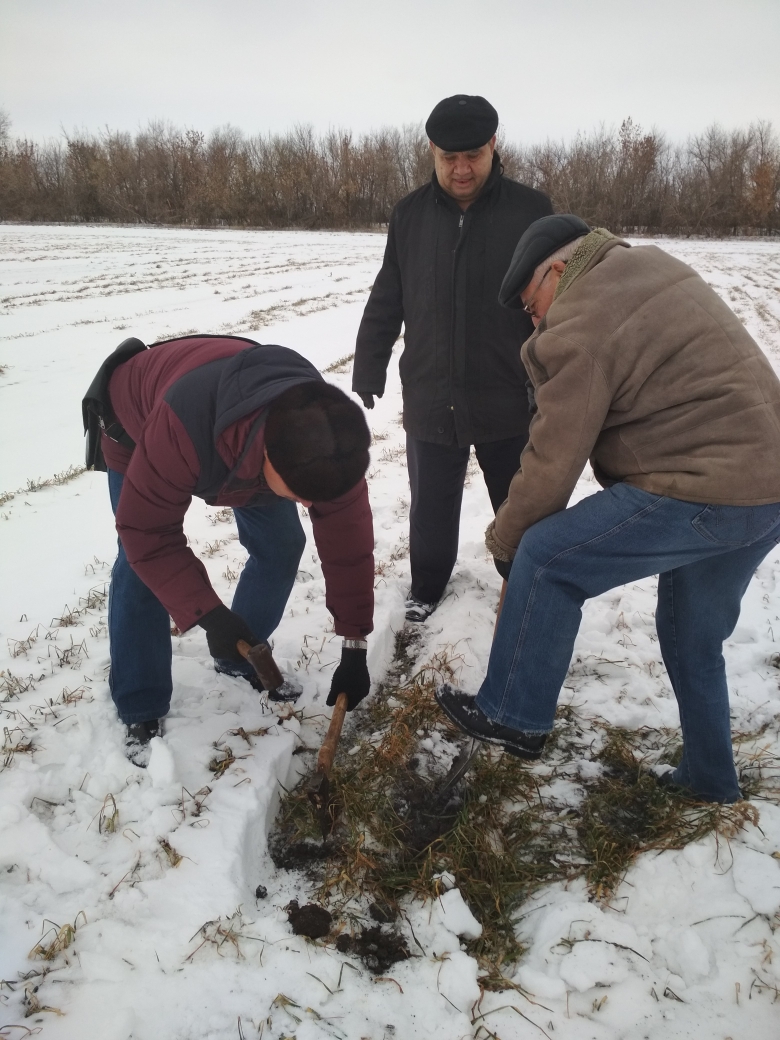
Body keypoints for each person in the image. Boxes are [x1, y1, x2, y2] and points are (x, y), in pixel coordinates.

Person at [436, 215, 780, 804]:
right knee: (692, 638)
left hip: (701, 487)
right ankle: (709, 781)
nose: (535, 318)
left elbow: (552, 461)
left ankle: (512, 715)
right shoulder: (651, 266)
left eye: (531, 303)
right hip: (765, 489)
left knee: (547, 558)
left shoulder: (581, 318)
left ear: (560, 271)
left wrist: (507, 541)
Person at [83, 335, 375, 762]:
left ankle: (241, 658)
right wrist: (208, 614)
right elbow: (147, 533)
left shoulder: (325, 440)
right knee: (137, 565)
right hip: (137, 421)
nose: (311, 505)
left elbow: (348, 542)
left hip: (232, 420)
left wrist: (355, 643)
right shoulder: (182, 425)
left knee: (282, 542)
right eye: (301, 495)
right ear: (268, 459)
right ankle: (139, 702)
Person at [352, 94, 553, 622]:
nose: (461, 169)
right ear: (432, 152)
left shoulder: (531, 210)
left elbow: (560, 299)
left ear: (493, 145)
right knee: (431, 505)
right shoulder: (410, 214)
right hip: (430, 391)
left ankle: (526, 588)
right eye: (448, 158)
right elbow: (388, 292)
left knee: (520, 504)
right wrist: (368, 362)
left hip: (507, 392)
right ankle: (427, 586)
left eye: (473, 156)